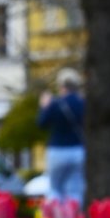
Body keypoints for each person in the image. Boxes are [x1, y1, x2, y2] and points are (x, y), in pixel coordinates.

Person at [38, 71, 86, 205]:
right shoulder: (82, 103)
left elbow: (41, 123)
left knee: (55, 189)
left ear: (61, 86)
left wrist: (44, 107)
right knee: (75, 191)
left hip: (57, 151)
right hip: (77, 150)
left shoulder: (55, 104)